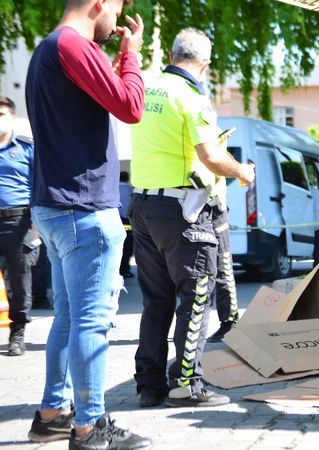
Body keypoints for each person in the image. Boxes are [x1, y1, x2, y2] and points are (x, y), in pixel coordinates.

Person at [24, 0, 151, 448]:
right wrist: (131, 55)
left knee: (67, 317)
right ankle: (90, 427)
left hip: (54, 205)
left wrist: (116, 65)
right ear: (99, 3)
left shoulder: (48, 49)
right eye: (116, 8)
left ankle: (52, 413)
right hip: (83, 209)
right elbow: (131, 106)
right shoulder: (75, 47)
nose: (117, 21)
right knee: (91, 322)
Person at [130, 28, 254, 409]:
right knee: (195, 296)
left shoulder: (148, 89)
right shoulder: (192, 97)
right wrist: (242, 172)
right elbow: (210, 155)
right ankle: (186, 384)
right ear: (204, 63)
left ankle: (149, 384)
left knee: (156, 300)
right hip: (183, 211)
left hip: (143, 206)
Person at [0, 95, 37, 357]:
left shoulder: (26, 148)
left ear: (12, 117)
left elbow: (40, 186)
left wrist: (38, 224)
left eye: (1, 114)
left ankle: (18, 330)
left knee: (19, 277)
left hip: (18, 221)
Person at [207, 177, 240, 343]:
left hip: (214, 207)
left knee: (223, 267)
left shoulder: (216, 151)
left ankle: (230, 321)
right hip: (195, 207)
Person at [118, 171, 134, 278]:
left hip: (115, 220)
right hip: (128, 222)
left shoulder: (113, 189)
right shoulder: (131, 190)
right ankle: (124, 270)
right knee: (127, 247)